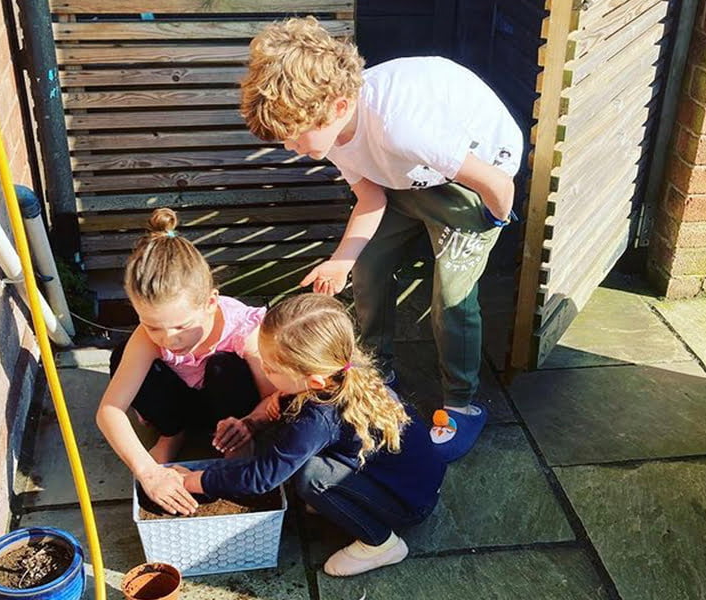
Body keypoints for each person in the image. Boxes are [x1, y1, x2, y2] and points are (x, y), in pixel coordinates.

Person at [240, 17, 524, 462]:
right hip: (405, 177)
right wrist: (341, 260)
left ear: (336, 106)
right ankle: (376, 374)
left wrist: (492, 225)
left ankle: (462, 402)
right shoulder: (331, 129)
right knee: (366, 267)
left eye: (295, 134)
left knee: (452, 296)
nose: (291, 146)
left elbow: (496, 183)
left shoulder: (400, 125)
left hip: (471, 184)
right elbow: (370, 196)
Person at [176, 293, 446, 577]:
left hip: (408, 504)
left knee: (310, 476)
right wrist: (263, 413)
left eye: (271, 368)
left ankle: (380, 543)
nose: (264, 371)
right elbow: (287, 406)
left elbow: (262, 477)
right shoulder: (341, 373)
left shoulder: (319, 417)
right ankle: (346, 500)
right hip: (416, 481)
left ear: (313, 380)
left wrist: (196, 481)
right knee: (295, 444)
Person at [96, 208, 278, 517]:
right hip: (181, 404)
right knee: (123, 356)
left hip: (229, 413)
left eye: (181, 326)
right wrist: (148, 473)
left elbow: (273, 399)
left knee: (224, 366)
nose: (168, 339)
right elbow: (109, 411)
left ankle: (235, 445)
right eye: (152, 325)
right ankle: (173, 433)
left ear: (210, 302)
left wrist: (249, 424)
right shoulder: (147, 337)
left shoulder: (242, 330)